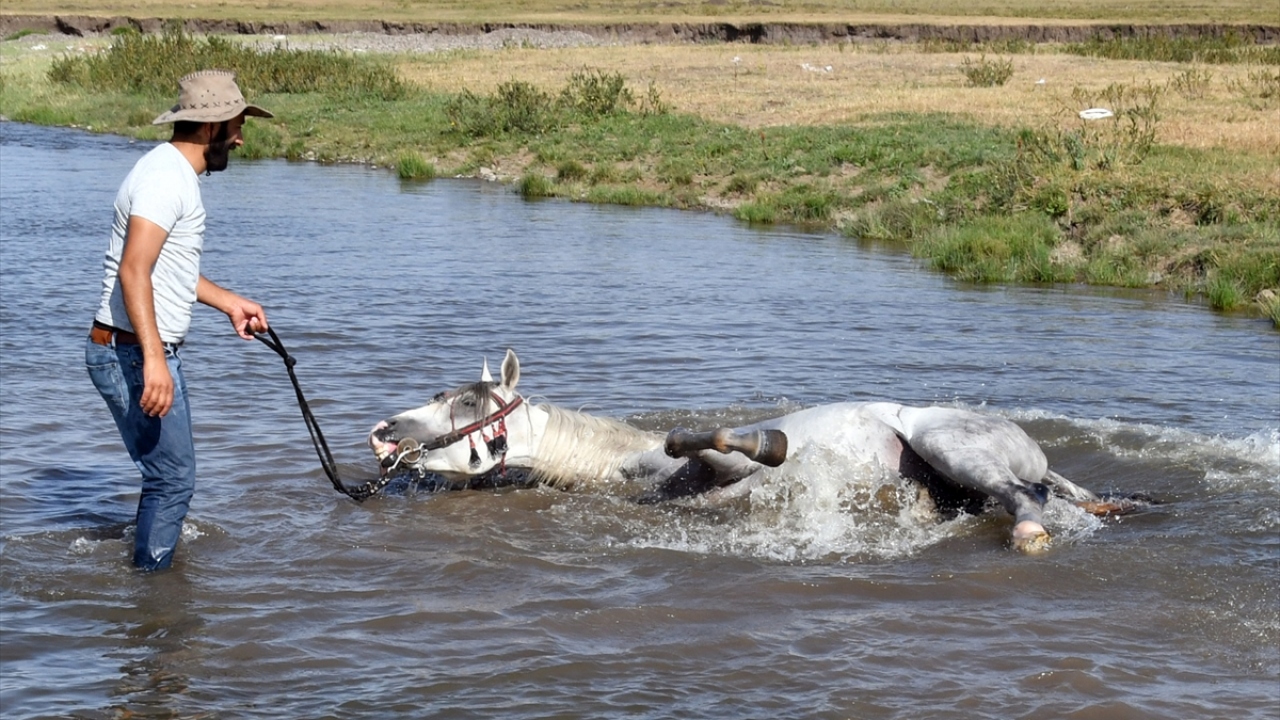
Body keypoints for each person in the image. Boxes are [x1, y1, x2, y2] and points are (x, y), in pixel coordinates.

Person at [86, 69, 273, 571]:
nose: (240, 137)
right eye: (236, 125)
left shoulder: (170, 172)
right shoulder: (166, 179)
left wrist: (228, 302)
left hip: (131, 347)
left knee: (167, 478)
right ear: (211, 128)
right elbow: (133, 270)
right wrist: (154, 360)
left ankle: (149, 580)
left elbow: (165, 269)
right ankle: (153, 595)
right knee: (171, 480)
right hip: (131, 351)